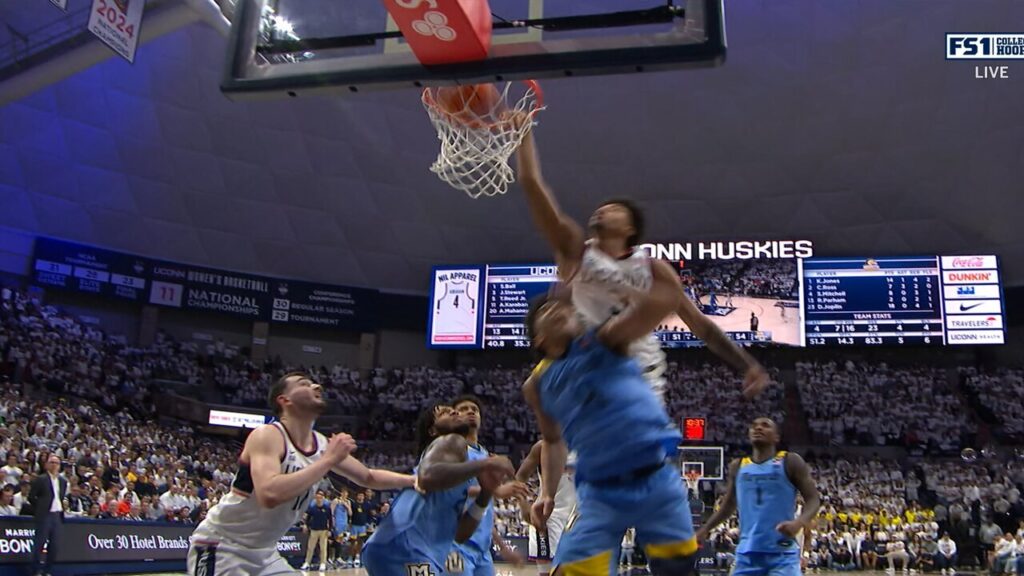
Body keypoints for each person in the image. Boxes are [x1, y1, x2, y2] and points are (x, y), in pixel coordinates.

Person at [513, 117, 769, 401]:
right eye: (600, 208)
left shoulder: (654, 269)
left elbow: (700, 325)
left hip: (641, 376)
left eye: (613, 210)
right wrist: (523, 133)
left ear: (630, 228)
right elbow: (532, 184)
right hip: (589, 370)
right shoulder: (575, 251)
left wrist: (747, 365)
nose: (602, 211)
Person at [522, 279, 700, 576]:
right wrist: (547, 493)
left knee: (678, 569)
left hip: (653, 475)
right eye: (546, 310)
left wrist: (611, 283)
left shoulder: (605, 338)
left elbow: (660, 302)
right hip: (599, 489)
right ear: (539, 339)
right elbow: (552, 441)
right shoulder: (536, 384)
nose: (556, 308)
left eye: (560, 306)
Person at [187, 372, 417, 576]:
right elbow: (269, 494)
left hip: (265, 554)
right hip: (222, 546)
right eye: (304, 383)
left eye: (315, 383)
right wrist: (328, 461)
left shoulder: (321, 444)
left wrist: (415, 481)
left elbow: (368, 477)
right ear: (284, 400)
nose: (316, 386)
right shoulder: (268, 435)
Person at [361, 404, 515, 576]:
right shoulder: (450, 440)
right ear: (433, 431)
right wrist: (485, 464)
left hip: (403, 547)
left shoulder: (457, 463)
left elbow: (460, 535)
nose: (455, 411)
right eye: (444, 413)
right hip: (405, 545)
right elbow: (426, 478)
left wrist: (485, 494)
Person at [694, 418, 821, 576]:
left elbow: (813, 499)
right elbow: (728, 506)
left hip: (781, 554)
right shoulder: (738, 466)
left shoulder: (790, 461)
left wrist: (799, 523)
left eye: (765, 425)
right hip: (747, 554)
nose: (758, 428)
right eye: (754, 426)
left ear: (776, 437)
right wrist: (705, 529)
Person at [449, 395, 528, 576]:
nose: (470, 411)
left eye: (474, 410)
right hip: (455, 544)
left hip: (482, 551)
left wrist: (502, 547)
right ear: (453, 416)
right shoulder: (450, 450)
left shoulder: (484, 455)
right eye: (464, 409)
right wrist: (495, 490)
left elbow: (482, 511)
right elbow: (451, 491)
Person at [518, 440, 577, 576]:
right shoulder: (542, 447)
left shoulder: (586, 446)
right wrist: (523, 505)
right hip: (546, 518)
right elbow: (520, 476)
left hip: (574, 519)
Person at [29, 455, 68, 576]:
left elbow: (60, 497)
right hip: (45, 515)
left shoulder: (63, 481)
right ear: (47, 464)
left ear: (59, 465)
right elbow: (31, 497)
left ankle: (47, 571)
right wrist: (40, 508)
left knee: (54, 546)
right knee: (39, 545)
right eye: (52, 462)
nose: (54, 465)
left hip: (57, 515)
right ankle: (36, 571)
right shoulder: (41, 479)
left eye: (57, 463)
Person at [301, 490, 332, 571]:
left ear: (323, 498)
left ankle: (323, 563)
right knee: (310, 547)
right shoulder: (312, 508)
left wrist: (330, 530)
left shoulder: (327, 508)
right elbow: (307, 518)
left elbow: (330, 519)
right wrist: (306, 525)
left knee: (323, 548)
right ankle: (307, 562)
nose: (319, 499)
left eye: (320, 497)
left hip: (324, 530)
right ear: (315, 498)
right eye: (317, 497)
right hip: (314, 530)